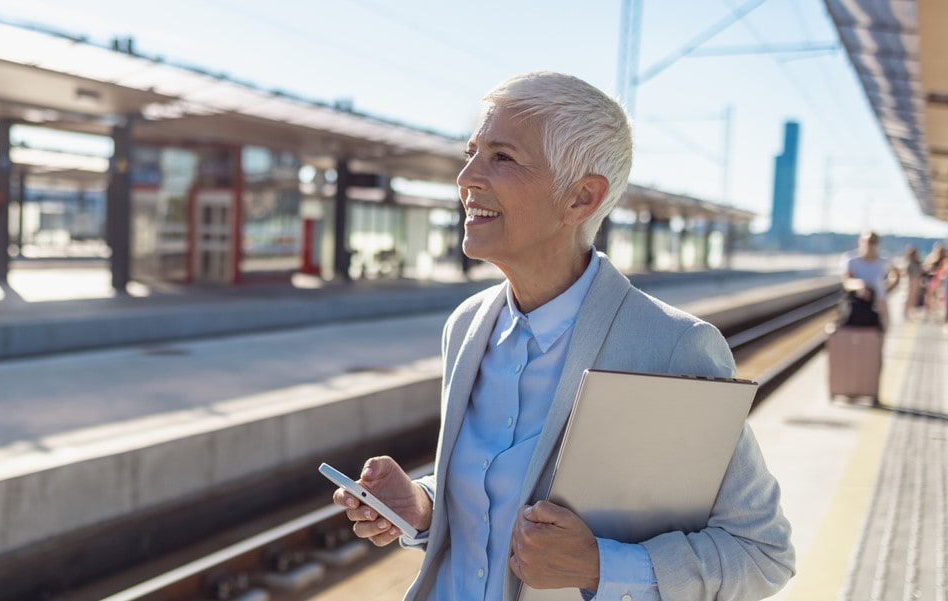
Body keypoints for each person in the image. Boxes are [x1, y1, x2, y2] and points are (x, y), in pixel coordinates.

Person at [332, 72, 795, 600]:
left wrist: (602, 567)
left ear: (580, 198)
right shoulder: (466, 325)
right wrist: (424, 506)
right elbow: (498, 488)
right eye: (471, 152)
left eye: (501, 157)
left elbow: (763, 554)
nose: (466, 177)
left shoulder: (671, 347)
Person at [841, 231, 898, 330]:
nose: (869, 245)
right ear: (860, 242)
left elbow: (895, 274)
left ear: (877, 244)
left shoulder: (883, 260)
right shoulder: (851, 259)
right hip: (857, 302)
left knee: (882, 328)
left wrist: (886, 286)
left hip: (879, 300)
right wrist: (860, 286)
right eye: (866, 241)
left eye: (873, 242)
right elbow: (846, 281)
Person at [902, 245, 924, 319]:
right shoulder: (908, 263)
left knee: (914, 298)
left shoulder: (917, 262)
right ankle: (905, 312)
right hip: (910, 282)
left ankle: (910, 311)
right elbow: (906, 273)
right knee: (908, 298)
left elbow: (921, 272)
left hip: (916, 282)